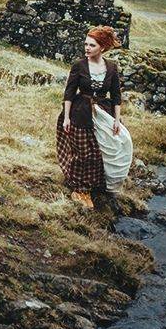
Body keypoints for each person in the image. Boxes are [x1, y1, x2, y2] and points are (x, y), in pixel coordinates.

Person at [56, 25, 134, 209]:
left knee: (114, 148)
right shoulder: (79, 65)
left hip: (103, 114)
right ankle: (80, 189)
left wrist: (116, 120)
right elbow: (68, 93)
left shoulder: (112, 68)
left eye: (91, 45)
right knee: (84, 154)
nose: (87, 48)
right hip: (80, 113)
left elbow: (116, 96)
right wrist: (66, 118)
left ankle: (99, 186)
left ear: (103, 47)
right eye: (86, 44)